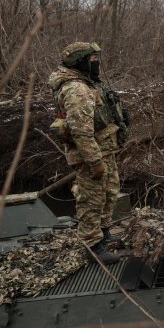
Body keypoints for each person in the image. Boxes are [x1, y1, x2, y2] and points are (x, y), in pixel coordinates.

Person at [48, 42, 126, 265]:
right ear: (80, 61)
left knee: (109, 192)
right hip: (90, 155)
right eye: (92, 59)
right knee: (91, 199)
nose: (96, 63)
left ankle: (103, 232)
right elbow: (81, 131)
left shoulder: (88, 84)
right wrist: (94, 161)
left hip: (104, 150)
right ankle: (92, 245)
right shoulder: (76, 89)